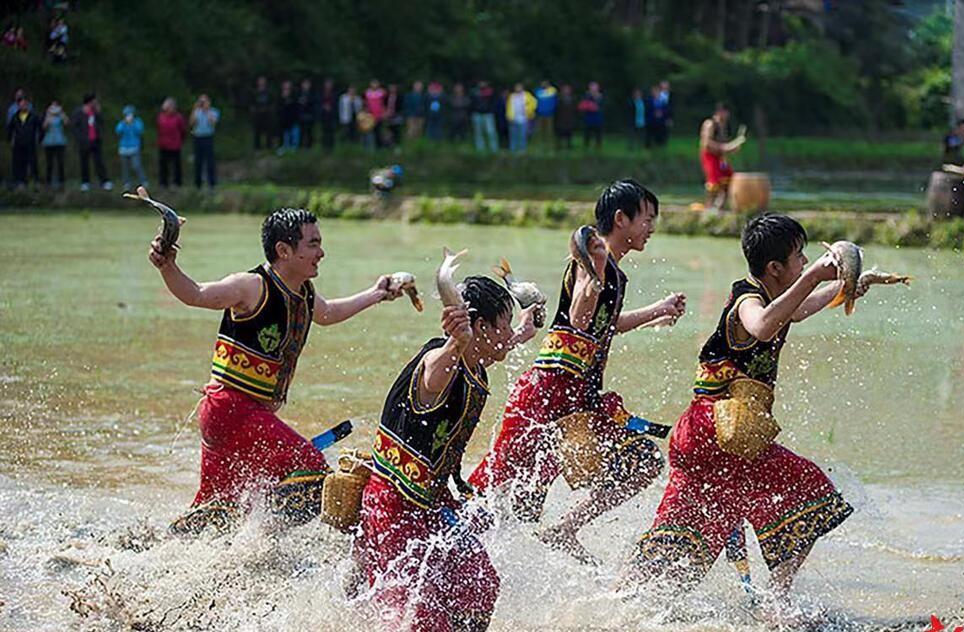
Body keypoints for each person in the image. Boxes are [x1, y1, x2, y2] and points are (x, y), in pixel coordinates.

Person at [621, 214, 855, 613]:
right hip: (714, 433)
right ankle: (777, 604)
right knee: (812, 492)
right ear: (775, 268)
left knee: (685, 549)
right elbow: (763, 325)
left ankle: (615, 601)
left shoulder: (776, 298)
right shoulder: (749, 299)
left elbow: (794, 310)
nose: (804, 262)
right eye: (800, 256)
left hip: (713, 439)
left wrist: (851, 285)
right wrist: (817, 275)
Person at [151, 208, 412, 535]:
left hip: (237, 415)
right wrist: (168, 265)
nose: (321, 253)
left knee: (219, 508)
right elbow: (197, 294)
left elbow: (329, 314)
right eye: (313, 244)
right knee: (313, 472)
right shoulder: (250, 286)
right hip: (232, 409)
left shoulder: (304, 293)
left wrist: (377, 294)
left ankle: (162, 547)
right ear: (284, 251)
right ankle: (262, 542)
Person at [470, 179, 686, 564]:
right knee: (499, 485)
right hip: (547, 391)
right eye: (647, 219)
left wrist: (659, 309)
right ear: (621, 219)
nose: (651, 228)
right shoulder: (589, 259)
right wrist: (596, 270)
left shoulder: (614, 274)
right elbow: (579, 317)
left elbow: (608, 322)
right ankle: (443, 532)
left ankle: (564, 529)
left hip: (582, 398)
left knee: (643, 462)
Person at [355, 276, 539, 630]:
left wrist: (521, 332)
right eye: (502, 325)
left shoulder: (475, 359)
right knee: (419, 620)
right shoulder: (440, 363)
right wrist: (457, 340)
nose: (506, 334)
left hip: (436, 505)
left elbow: (495, 348)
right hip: (394, 507)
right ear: (479, 326)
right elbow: (435, 371)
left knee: (481, 587)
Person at [700, 102, 746, 211]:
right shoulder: (710, 124)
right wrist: (728, 147)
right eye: (724, 113)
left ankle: (720, 207)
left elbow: (724, 146)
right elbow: (706, 143)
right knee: (714, 182)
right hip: (709, 156)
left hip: (720, 158)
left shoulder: (724, 126)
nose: (726, 116)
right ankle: (709, 207)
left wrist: (733, 148)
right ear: (719, 112)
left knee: (729, 180)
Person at [71, 93, 112, 192]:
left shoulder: (95, 112)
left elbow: (101, 123)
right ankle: (85, 182)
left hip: (95, 140)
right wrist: (80, 138)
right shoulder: (79, 112)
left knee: (99, 162)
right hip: (84, 141)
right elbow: (75, 127)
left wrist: (98, 112)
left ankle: (104, 181)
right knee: (84, 162)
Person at [6, 93, 40, 188]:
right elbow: (9, 129)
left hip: (30, 143)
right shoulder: (15, 117)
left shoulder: (33, 116)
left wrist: (38, 139)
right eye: (21, 104)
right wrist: (10, 140)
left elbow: (40, 127)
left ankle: (35, 181)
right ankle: (20, 181)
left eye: (25, 104)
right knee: (19, 163)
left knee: (33, 163)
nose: (23, 105)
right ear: (18, 105)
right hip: (19, 144)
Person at [190, 94, 220, 190]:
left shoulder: (213, 112)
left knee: (210, 161)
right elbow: (191, 123)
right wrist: (195, 109)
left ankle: (212, 183)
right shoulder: (196, 112)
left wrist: (207, 111)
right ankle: (198, 183)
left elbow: (213, 122)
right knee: (198, 161)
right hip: (198, 137)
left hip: (208, 137)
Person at [115, 105, 147, 190]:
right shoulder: (122, 123)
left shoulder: (137, 122)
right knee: (125, 167)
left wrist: (132, 124)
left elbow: (139, 131)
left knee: (136, 165)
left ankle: (143, 181)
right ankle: (126, 183)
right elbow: (118, 131)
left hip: (134, 148)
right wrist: (125, 123)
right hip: (124, 148)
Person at [157, 97, 186, 188]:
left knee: (176, 165)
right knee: (163, 165)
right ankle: (163, 182)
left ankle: (177, 182)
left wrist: (180, 140)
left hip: (175, 144)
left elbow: (182, 130)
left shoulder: (178, 117)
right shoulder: (161, 116)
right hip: (163, 144)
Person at [41, 101, 68, 189]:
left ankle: (61, 182)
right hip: (49, 142)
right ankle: (48, 182)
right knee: (49, 163)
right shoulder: (48, 116)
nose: (54, 109)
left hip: (60, 141)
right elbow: (44, 127)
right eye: (52, 107)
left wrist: (62, 113)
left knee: (60, 162)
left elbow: (67, 123)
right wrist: (48, 115)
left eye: (56, 106)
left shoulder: (60, 116)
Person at [506, 83, 537, 153]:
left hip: (523, 119)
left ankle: (522, 150)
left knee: (522, 136)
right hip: (513, 118)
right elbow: (508, 107)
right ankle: (513, 150)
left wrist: (529, 112)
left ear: (522, 88)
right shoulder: (512, 96)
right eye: (516, 87)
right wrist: (508, 116)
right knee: (513, 135)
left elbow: (534, 103)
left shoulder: (527, 95)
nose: (518, 89)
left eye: (519, 87)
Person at [470, 80, 498, 153]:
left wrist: (491, 110)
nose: (482, 84)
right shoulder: (474, 92)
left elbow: (494, 102)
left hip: (488, 114)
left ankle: (494, 149)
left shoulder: (490, 92)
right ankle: (480, 149)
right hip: (477, 114)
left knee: (491, 132)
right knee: (478, 133)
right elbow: (472, 103)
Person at [251, 76, 275, 151]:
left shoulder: (269, 92)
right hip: (257, 115)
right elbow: (251, 103)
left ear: (265, 82)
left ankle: (269, 146)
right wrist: (254, 110)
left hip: (267, 114)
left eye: (263, 81)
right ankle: (257, 147)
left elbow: (272, 102)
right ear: (258, 82)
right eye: (260, 81)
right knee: (257, 131)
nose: (262, 82)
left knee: (269, 131)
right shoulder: (255, 92)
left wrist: (269, 110)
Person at [578, 82, 604, 150]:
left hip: (598, 118)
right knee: (587, 133)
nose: (593, 89)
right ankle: (586, 146)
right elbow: (581, 106)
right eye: (592, 88)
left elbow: (603, 107)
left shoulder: (601, 96)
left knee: (598, 133)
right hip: (588, 118)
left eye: (595, 87)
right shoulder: (586, 96)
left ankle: (598, 146)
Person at [277, 81, 299, 155]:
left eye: (288, 86)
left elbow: (296, 107)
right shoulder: (280, 97)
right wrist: (283, 98)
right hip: (283, 120)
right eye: (285, 86)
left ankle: (293, 148)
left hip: (293, 119)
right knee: (284, 135)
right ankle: (284, 147)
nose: (286, 88)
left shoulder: (294, 96)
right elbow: (279, 108)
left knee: (294, 134)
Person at [363, 80, 387, 147]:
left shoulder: (381, 92)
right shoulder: (367, 92)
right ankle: (370, 146)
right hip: (370, 116)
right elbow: (365, 103)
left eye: (376, 84)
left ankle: (379, 146)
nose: (374, 85)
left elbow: (384, 102)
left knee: (378, 131)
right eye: (373, 84)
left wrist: (384, 112)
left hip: (379, 116)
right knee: (370, 131)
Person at [534, 80, 558, 148]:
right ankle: (539, 144)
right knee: (539, 130)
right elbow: (535, 102)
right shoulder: (538, 92)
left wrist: (552, 110)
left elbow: (555, 102)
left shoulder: (552, 91)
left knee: (549, 131)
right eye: (543, 83)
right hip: (540, 114)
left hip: (549, 114)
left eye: (546, 84)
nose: (544, 85)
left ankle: (549, 144)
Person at [554, 84, 575, 151]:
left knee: (569, 132)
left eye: (567, 90)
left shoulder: (572, 99)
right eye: (565, 90)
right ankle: (559, 145)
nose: (566, 91)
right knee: (560, 132)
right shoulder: (559, 99)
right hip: (561, 119)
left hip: (569, 119)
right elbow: (557, 109)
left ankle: (569, 145)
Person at [297, 78, 317, 149]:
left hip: (309, 115)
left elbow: (314, 104)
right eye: (304, 84)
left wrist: (306, 102)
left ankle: (309, 146)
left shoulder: (312, 93)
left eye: (307, 84)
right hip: (301, 115)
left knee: (309, 132)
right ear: (302, 85)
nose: (306, 85)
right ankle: (300, 146)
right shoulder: (299, 93)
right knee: (301, 132)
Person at [319, 79, 337, 151]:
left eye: (329, 84)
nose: (328, 86)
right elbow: (319, 103)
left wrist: (331, 108)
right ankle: (324, 146)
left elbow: (336, 104)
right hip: (324, 115)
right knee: (324, 132)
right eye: (327, 84)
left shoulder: (334, 94)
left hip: (332, 115)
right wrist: (324, 107)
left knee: (331, 132)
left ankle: (331, 147)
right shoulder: (321, 93)